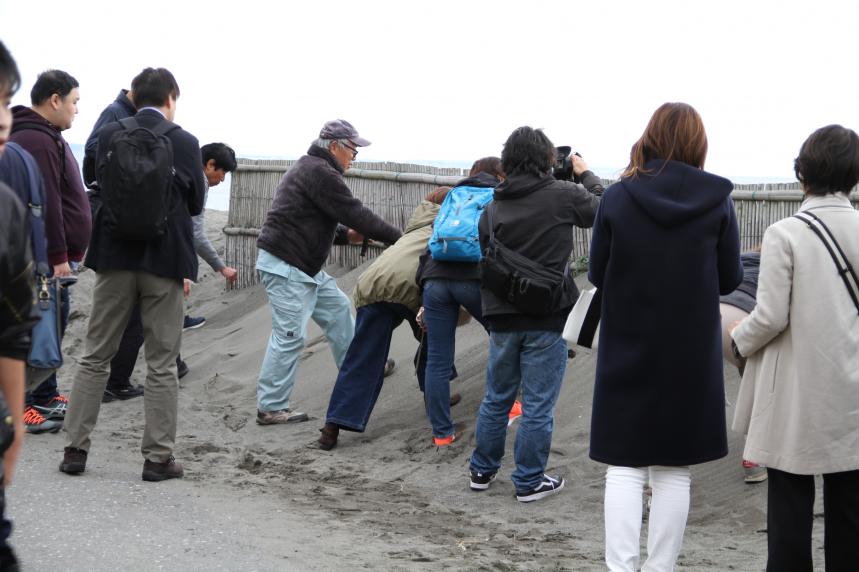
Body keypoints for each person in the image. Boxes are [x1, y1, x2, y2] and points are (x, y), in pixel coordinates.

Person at [588, 102, 742, 571]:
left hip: (627, 342)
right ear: (698, 143)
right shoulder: (718, 199)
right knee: (674, 471)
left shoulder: (618, 197)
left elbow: (597, 272)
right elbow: (729, 279)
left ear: (651, 135)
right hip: (689, 352)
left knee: (625, 466)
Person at [59, 67, 206, 482]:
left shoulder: (109, 134)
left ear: (134, 96)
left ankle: (75, 450)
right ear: (171, 99)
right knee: (160, 363)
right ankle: (157, 458)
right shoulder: (185, 142)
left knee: (94, 355)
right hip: (165, 263)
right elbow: (195, 204)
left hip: (114, 258)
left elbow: (93, 180)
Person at [731, 124, 859, 571]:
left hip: (796, 393)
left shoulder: (785, 233)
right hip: (853, 392)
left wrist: (737, 340)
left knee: (789, 505)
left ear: (802, 172)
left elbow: (769, 317)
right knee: (849, 510)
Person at [468, 126, 602, 503]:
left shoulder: (493, 206)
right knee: (537, 403)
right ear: (547, 159)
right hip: (546, 315)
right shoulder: (563, 195)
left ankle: (482, 470)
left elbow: (486, 253)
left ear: (508, 161)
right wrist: (583, 173)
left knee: (497, 397)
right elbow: (605, 208)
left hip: (501, 318)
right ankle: (528, 481)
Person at [254, 119, 402, 425]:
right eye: (352, 149)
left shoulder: (312, 169)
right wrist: (400, 238)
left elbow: (309, 220)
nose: (354, 156)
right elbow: (355, 212)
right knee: (290, 336)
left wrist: (347, 235)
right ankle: (271, 407)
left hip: (303, 265)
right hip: (287, 265)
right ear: (334, 146)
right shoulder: (319, 172)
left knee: (336, 311)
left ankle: (363, 368)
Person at [318, 187, 451, 450]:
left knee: (362, 358)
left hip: (371, 284)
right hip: (411, 288)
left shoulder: (414, 227)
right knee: (433, 345)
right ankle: (436, 400)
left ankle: (332, 427)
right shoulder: (449, 226)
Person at [9, 69, 91, 433]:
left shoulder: (45, 136)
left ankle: (45, 394)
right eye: (74, 102)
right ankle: (24, 404)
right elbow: (46, 205)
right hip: (38, 256)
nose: (76, 110)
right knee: (37, 326)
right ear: (54, 99)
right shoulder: (37, 139)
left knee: (52, 324)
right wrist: (58, 258)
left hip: (43, 254)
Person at [0, 39, 35, 571]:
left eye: (5, 101)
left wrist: (16, 421)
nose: (2, 118)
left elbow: (10, 323)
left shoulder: (5, 208)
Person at [718, 248, 767, 483]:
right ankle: (753, 459)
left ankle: (663, 467)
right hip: (740, 317)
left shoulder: (740, 257)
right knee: (756, 378)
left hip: (705, 312)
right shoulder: (782, 261)